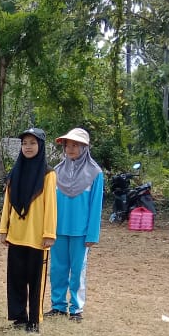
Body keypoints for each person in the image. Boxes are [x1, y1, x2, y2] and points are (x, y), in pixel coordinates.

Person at [0, 127, 57, 333]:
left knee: (35, 279)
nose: (28, 147)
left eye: (32, 143)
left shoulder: (48, 174)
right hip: (16, 234)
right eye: (24, 143)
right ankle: (19, 317)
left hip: (37, 236)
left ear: (40, 145)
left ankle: (34, 320)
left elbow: (50, 205)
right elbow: (8, 202)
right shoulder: (15, 172)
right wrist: (3, 229)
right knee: (16, 278)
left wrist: (49, 233)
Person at [46, 127, 104, 323]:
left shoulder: (95, 173)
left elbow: (96, 206)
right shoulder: (56, 171)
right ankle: (58, 306)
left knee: (78, 271)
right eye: (67, 145)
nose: (70, 149)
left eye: (75, 145)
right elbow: (50, 202)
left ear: (84, 147)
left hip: (81, 232)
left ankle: (76, 308)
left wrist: (92, 234)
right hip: (58, 229)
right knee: (57, 269)